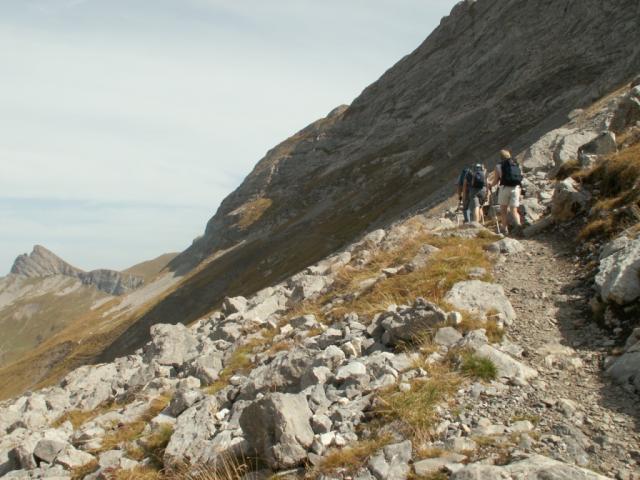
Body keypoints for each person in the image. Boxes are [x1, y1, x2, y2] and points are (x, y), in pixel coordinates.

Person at [490, 149, 523, 234]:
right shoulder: (516, 164)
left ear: (500, 157)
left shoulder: (498, 166)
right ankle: (519, 226)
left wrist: (490, 185)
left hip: (504, 188)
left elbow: (496, 181)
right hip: (516, 188)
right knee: (514, 210)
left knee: (503, 210)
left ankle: (504, 229)